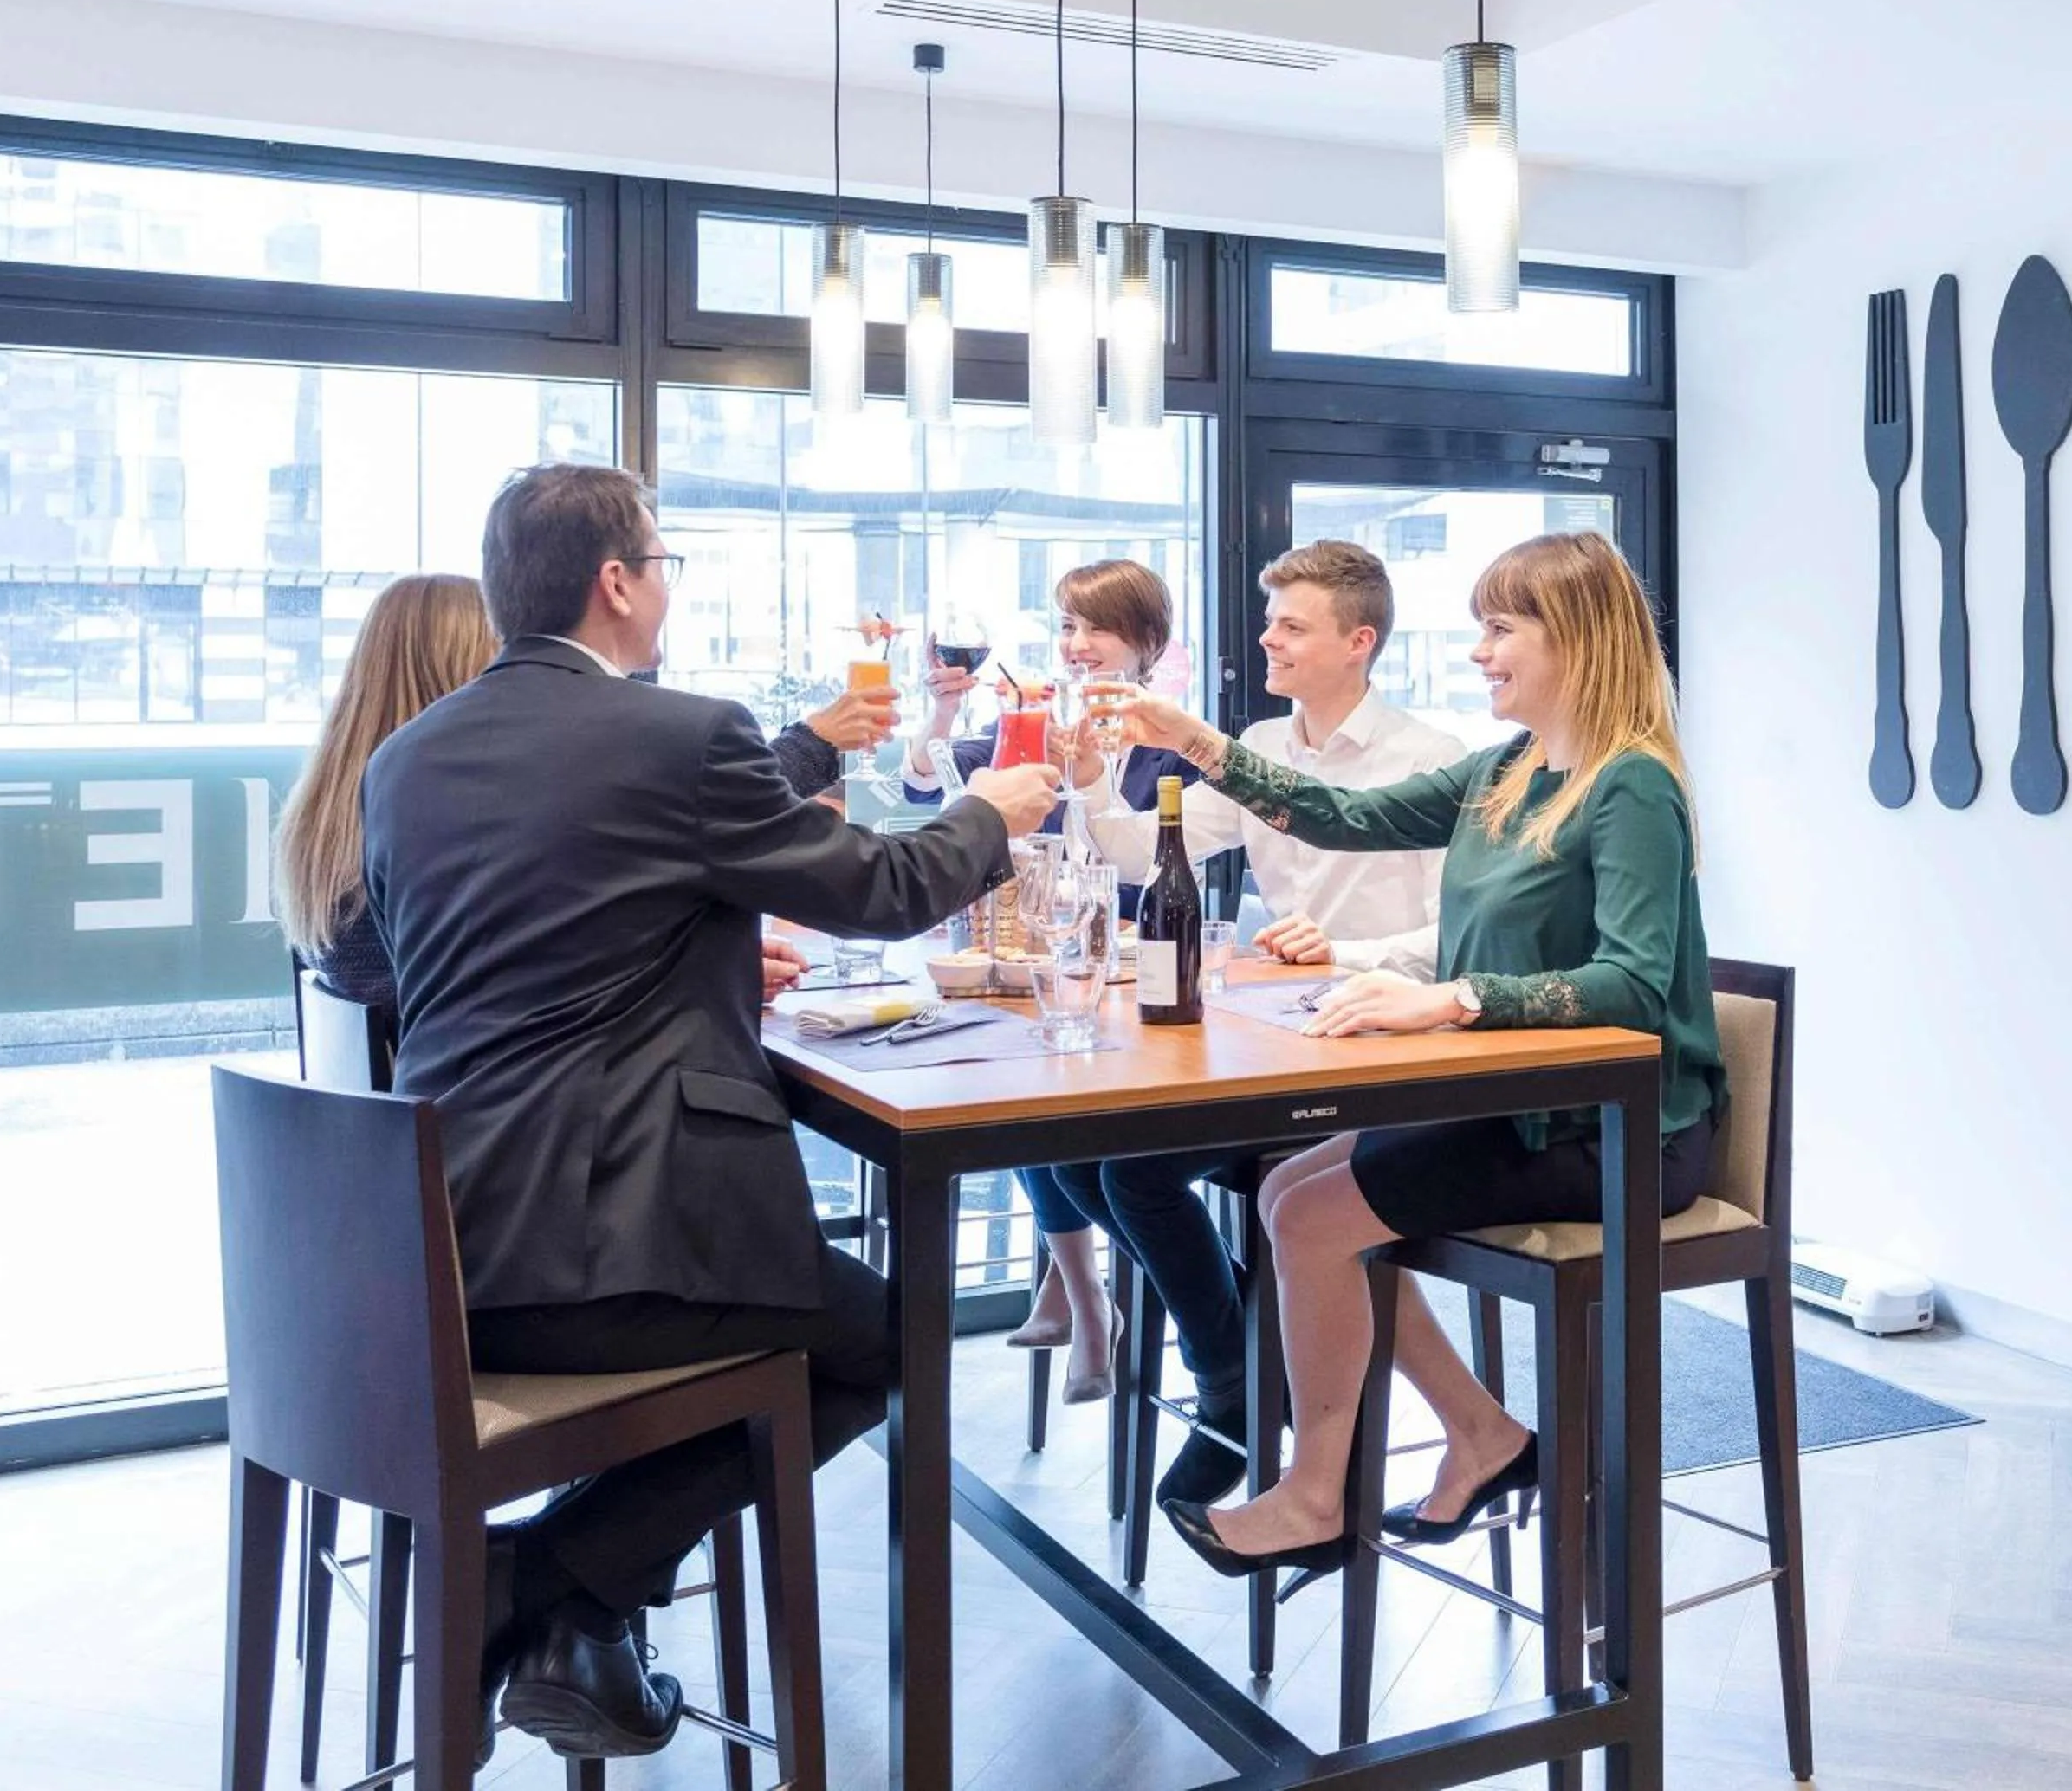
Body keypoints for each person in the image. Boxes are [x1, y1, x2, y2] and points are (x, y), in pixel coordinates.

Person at [360, 464, 1058, 1761]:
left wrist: (704, 953)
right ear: (617, 581)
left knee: (842, 1324)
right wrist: (992, 812)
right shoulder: (681, 734)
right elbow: (889, 885)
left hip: (444, 1255)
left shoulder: (408, 757)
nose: (668, 587)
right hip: (617, 1251)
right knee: (888, 1335)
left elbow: (512, 948)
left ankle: (576, 1600)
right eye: (665, 562)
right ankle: (552, 1577)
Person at [1097, 530, 1727, 1583]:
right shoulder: (1506, 770)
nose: (1480, 652)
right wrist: (1197, 742)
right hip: (1520, 1106)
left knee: (1306, 1212)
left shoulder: (1631, 789)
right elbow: (1339, 817)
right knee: (1294, 1191)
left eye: (1499, 628)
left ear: (1575, 638)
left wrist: (1453, 998)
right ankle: (1481, 1439)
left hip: (1614, 1133)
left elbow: (1636, 984)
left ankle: (1315, 1496)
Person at [1075, 539, 1465, 1508]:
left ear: (1357, 643)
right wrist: (1087, 776)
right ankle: (1252, 1338)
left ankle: (1232, 1390)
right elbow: (1139, 856)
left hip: (1379, 1052)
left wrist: (1347, 956)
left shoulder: (1432, 761)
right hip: (1278, 1038)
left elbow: (1458, 932)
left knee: (1132, 1167)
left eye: (1291, 625)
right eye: (1271, 621)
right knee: (1066, 1157)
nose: (1268, 639)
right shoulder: (1263, 751)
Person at [277, 573, 900, 1015]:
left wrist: (701, 967)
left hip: (421, 1148)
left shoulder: (338, 814)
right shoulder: (466, 805)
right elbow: (674, 810)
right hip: (517, 1152)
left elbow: (524, 969)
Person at [902, 559, 1198, 1406]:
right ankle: (1082, 1288)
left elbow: (1160, 865)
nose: (1074, 646)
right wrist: (949, 708)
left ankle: (1085, 1296)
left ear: (1145, 643)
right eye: (1066, 627)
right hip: (1050, 973)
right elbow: (931, 782)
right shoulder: (1035, 723)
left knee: (1046, 1089)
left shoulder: (1177, 742)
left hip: (1142, 983)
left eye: (1092, 628)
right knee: (1026, 1080)